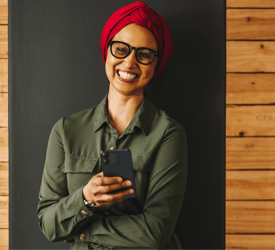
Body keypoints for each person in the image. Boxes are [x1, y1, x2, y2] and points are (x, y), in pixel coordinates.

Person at [37, 1, 188, 250]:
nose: (129, 63)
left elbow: (156, 232)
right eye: (121, 49)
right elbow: (48, 224)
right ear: (107, 52)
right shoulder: (65, 131)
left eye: (144, 54)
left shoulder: (168, 133)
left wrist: (81, 232)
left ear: (155, 65)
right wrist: (85, 199)